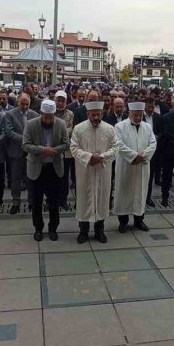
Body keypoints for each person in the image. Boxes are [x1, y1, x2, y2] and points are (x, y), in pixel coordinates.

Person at [70, 100, 117, 243]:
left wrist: (101, 157)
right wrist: (90, 158)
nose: (96, 117)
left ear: (102, 113)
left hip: (103, 171)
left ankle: (99, 231)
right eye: (93, 115)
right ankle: (83, 231)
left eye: (98, 114)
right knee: (85, 199)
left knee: (102, 200)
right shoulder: (78, 129)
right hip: (85, 171)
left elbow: (115, 148)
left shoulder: (109, 129)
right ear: (87, 114)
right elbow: (74, 148)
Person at [23, 100, 69, 241]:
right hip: (36, 168)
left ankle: (53, 228)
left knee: (54, 201)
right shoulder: (31, 124)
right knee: (36, 201)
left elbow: (66, 143)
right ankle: (38, 228)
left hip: (54, 169)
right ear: (41, 114)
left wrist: (53, 151)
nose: (48, 120)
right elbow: (25, 145)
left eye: (51, 117)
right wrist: (43, 150)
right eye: (45, 117)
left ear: (54, 115)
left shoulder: (61, 124)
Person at [113, 102, 158, 233]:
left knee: (141, 192)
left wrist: (144, 155)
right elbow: (118, 144)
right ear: (130, 113)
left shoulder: (148, 127)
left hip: (142, 166)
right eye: (135, 115)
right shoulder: (119, 126)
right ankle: (123, 222)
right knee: (124, 193)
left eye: (140, 115)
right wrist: (133, 156)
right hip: (126, 166)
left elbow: (153, 143)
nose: (138, 117)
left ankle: (139, 220)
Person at [3, 94, 38, 214]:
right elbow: (9, 132)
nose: (24, 106)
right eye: (22, 104)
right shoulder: (10, 114)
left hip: (30, 153)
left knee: (31, 178)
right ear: (17, 103)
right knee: (15, 179)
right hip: (15, 152)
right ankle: (16, 202)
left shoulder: (35, 115)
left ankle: (32, 202)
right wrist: (25, 140)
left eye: (27, 104)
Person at [54, 91, 76, 209]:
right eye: (58, 100)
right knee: (52, 176)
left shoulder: (70, 114)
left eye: (63, 101)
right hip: (53, 149)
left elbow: (71, 129)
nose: (60, 103)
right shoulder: (50, 112)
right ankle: (51, 200)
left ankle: (63, 200)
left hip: (66, 150)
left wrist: (58, 132)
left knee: (64, 177)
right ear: (55, 100)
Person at [143, 97, 164, 206]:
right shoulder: (140, 117)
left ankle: (148, 197)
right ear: (145, 106)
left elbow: (162, 131)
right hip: (142, 150)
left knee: (150, 176)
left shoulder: (157, 117)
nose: (151, 109)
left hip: (154, 151)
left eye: (152, 107)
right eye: (149, 106)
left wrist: (157, 137)